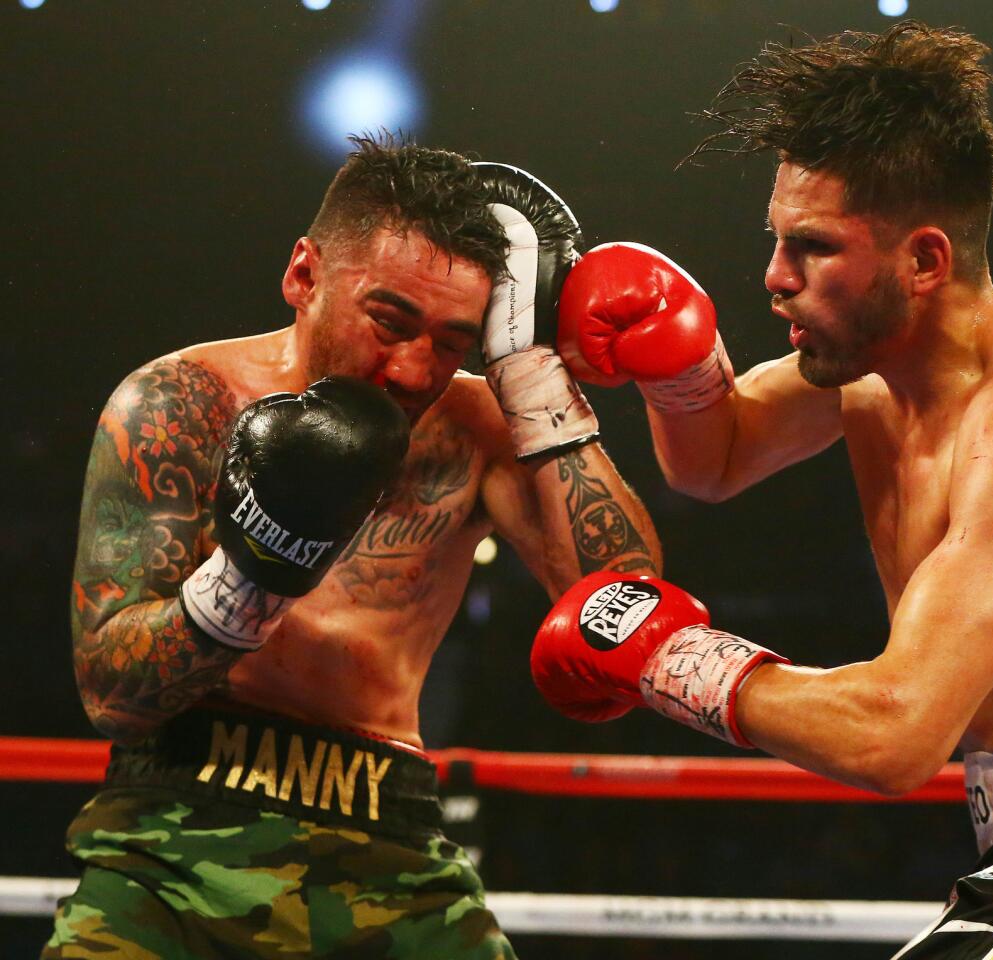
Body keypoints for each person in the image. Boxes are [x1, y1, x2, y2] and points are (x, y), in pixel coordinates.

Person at [532, 22, 993, 959]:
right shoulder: (872, 378)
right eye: (775, 241)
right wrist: (675, 369)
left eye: (812, 248)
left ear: (924, 261)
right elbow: (710, 459)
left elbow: (893, 736)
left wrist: (664, 659)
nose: (773, 278)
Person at [47, 134, 661, 958]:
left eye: (451, 340)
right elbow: (112, 696)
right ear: (304, 275)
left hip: (387, 837)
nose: (413, 369)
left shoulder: (481, 427)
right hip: (171, 835)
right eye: (389, 321)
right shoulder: (181, 402)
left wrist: (532, 376)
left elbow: (623, 614)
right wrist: (253, 577)